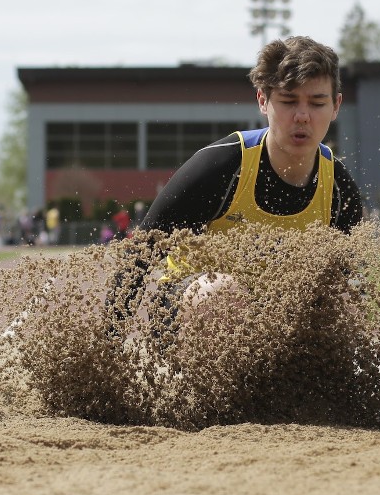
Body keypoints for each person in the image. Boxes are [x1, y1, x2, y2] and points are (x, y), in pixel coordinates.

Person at [127, 36, 363, 315]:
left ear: (336, 106)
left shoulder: (338, 187)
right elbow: (141, 254)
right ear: (263, 100)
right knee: (222, 293)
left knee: (344, 299)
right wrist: (106, 344)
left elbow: (353, 278)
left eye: (316, 103)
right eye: (288, 101)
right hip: (194, 306)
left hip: (275, 316)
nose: (302, 116)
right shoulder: (221, 165)